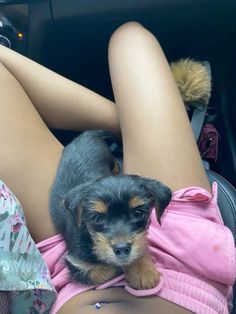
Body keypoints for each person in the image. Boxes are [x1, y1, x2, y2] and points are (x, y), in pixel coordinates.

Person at [0, 22, 235, 314]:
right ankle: (141, 128)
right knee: (131, 38)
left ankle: (126, 126)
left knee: (130, 37)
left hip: (66, 259)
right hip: (182, 257)